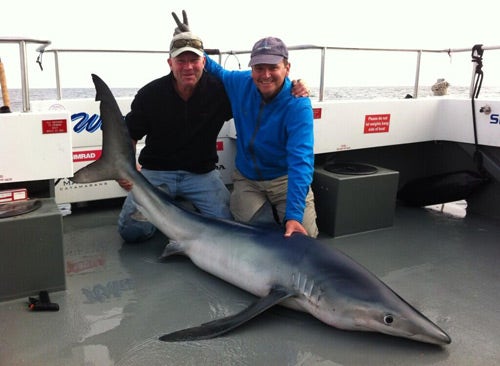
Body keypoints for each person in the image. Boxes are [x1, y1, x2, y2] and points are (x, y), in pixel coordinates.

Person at [117, 27, 310, 242]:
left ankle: (173, 210)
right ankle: (171, 210)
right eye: (181, 61)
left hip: (202, 174)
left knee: (226, 230)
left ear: (203, 62)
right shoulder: (150, 94)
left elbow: (261, 93)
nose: (188, 67)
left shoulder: (220, 91)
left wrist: (295, 85)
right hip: (156, 171)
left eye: (194, 60)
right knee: (132, 232)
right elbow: (129, 134)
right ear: (170, 63)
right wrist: (128, 168)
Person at [203, 36, 319, 238]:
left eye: (273, 67)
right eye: (258, 67)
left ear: (287, 68)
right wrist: (192, 42)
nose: (265, 75)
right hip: (248, 179)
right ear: (251, 69)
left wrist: (293, 216)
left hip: (284, 179)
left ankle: (284, 213)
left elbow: (301, 161)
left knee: (305, 237)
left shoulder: (298, 104)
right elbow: (215, 69)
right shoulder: (241, 82)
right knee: (246, 235)